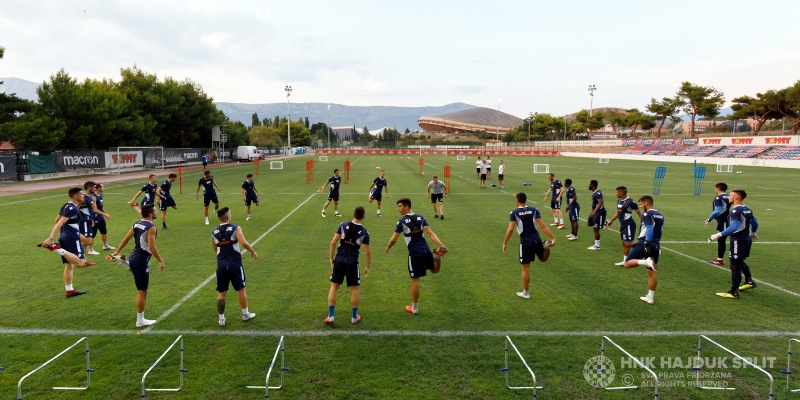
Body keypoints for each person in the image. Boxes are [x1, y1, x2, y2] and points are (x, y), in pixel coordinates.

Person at [385, 198, 448, 315]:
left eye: (400, 206)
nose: (398, 209)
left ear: (407, 207)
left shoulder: (401, 222)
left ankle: (414, 308)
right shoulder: (421, 217)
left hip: (415, 254)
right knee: (434, 270)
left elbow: (394, 239)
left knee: (414, 280)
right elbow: (430, 233)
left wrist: (388, 247)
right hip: (426, 249)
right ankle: (437, 256)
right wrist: (442, 245)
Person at [109, 204, 165, 327]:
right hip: (140, 259)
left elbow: (125, 239)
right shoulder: (151, 227)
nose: (157, 212)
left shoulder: (136, 224)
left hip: (135, 256)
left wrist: (117, 251)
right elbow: (152, 247)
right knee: (142, 291)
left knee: (140, 280)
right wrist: (161, 260)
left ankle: (124, 262)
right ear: (150, 214)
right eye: (155, 211)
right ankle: (140, 320)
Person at [38, 187, 96, 298]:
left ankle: (69, 291)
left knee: (70, 265)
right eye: (81, 195)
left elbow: (57, 220)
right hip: (71, 238)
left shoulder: (67, 205)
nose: (83, 196)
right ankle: (57, 248)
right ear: (75, 196)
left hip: (66, 236)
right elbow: (59, 223)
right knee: (79, 263)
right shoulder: (72, 209)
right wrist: (51, 238)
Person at [502, 192, 556, 299]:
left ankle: (526, 293)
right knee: (543, 259)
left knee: (525, 268)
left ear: (517, 200)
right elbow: (543, 226)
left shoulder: (514, 213)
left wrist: (504, 243)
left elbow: (510, 230)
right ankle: (547, 246)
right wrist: (553, 237)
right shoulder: (534, 210)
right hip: (536, 239)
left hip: (526, 242)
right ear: (525, 200)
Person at [709, 189, 759, 299]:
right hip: (746, 239)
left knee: (735, 266)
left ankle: (733, 292)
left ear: (736, 198)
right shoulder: (747, 209)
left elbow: (733, 227)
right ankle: (749, 281)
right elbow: (755, 223)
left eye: (730, 196)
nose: (728, 197)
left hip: (738, 240)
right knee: (739, 261)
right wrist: (753, 232)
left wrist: (717, 235)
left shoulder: (736, 211)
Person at [212, 207, 258, 326]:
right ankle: (245, 314)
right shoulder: (235, 228)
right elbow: (243, 242)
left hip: (221, 266)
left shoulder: (214, 232)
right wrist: (252, 251)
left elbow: (215, 249)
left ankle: (221, 319)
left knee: (221, 292)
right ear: (228, 217)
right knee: (241, 289)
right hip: (234, 264)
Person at [326, 206, 371, 324]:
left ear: (353, 215)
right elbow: (367, 252)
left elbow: (333, 242)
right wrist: (367, 267)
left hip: (339, 259)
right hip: (352, 262)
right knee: (354, 289)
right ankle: (354, 317)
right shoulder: (365, 232)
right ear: (364, 217)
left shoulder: (343, 225)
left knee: (334, 287)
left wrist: (331, 258)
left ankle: (330, 316)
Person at [621, 196, 663, 305]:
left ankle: (646, 261)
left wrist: (647, 242)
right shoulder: (660, 215)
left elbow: (649, 228)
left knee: (626, 263)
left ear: (646, 203)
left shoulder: (647, 214)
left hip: (645, 242)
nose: (640, 206)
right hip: (656, 244)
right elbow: (659, 232)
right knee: (651, 272)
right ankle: (650, 297)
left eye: (641, 204)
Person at [606, 186, 642, 266]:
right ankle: (625, 261)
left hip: (629, 224)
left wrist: (645, 224)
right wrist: (611, 220)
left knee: (627, 244)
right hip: (623, 225)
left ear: (621, 193)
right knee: (624, 243)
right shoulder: (619, 201)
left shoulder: (631, 202)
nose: (615, 194)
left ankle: (646, 244)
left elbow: (639, 213)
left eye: (616, 192)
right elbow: (618, 212)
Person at [705, 183, 731, 266]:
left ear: (718, 189)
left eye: (715, 188)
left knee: (721, 239)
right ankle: (720, 259)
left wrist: (709, 219)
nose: (715, 190)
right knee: (721, 238)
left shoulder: (718, 197)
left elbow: (717, 211)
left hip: (723, 220)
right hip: (727, 219)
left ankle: (720, 260)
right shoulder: (729, 196)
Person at [79, 181, 99, 255]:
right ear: (88, 187)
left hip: (88, 220)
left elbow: (90, 210)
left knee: (87, 241)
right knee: (87, 241)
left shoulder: (89, 197)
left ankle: (83, 260)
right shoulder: (83, 198)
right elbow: (76, 207)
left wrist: (91, 219)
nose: (95, 188)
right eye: (94, 187)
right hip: (84, 221)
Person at [92, 183, 114, 250]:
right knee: (93, 234)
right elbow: (94, 209)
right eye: (102, 187)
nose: (103, 188)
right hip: (95, 217)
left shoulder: (101, 195)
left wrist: (105, 214)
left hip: (100, 216)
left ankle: (105, 245)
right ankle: (91, 249)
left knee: (104, 231)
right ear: (98, 188)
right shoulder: (93, 197)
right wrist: (104, 214)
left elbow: (101, 206)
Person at [587, 180, 606, 250]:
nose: (588, 185)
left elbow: (601, 203)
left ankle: (597, 246)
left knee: (596, 228)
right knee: (589, 223)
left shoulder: (597, 193)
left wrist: (594, 212)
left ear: (592, 185)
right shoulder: (595, 193)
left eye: (589, 184)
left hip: (599, 212)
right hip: (595, 211)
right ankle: (604, 222)